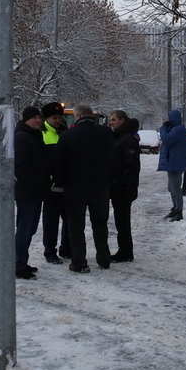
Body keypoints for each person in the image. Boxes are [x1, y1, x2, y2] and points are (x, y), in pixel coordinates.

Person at [57, 103, 114, 273]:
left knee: (76, 225)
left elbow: (60, 162)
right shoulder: (106, 133)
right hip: (100, 186)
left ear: (78, 116)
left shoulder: (68, 135)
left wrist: (59, 182)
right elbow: (113, 157)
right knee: (100, 223)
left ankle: (79, 261)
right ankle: (104, 258)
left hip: (75, 187)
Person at [13, 106, 49, 280]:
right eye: (34, 118)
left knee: (30, 228)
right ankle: (18, 264)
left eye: (39, 118)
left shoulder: (34, 136)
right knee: (24, 229)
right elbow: (21, 166)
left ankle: (22, 261)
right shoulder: (22, 137)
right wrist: (34, 183)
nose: (38, 120)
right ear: (26, 119)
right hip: (27, 192)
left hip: (36, 192)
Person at [40, 101, 71, 264]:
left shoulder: (65, 133)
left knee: (68, 220)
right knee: (50, 222)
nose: (58, 120)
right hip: (51, 188)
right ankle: (50, 251)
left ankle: (66, 248)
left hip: (66, 186)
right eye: (55, 118)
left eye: (60, 117)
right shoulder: (42, 134)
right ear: (47, 118)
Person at [108, 110, 141, 262]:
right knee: (120, 220)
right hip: (118, 186)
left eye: (114, 119)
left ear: (122, 120)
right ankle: (124, 249)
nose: (111, 122)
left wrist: (121, 183)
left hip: (123, 188)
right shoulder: (119, 137)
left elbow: (131, 166)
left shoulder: (127, 140)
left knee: (122, 220)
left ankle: (126, 251)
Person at [157, 109, 186, 221]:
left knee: (175, 188)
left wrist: (163, 128)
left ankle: (179, 211)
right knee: (171, 188)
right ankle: (175, 208)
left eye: (168, 118)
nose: (166, 120)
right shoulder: (174, 129)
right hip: (172, 162)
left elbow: (167, 139)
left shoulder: (178, 129)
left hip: (176, 162)